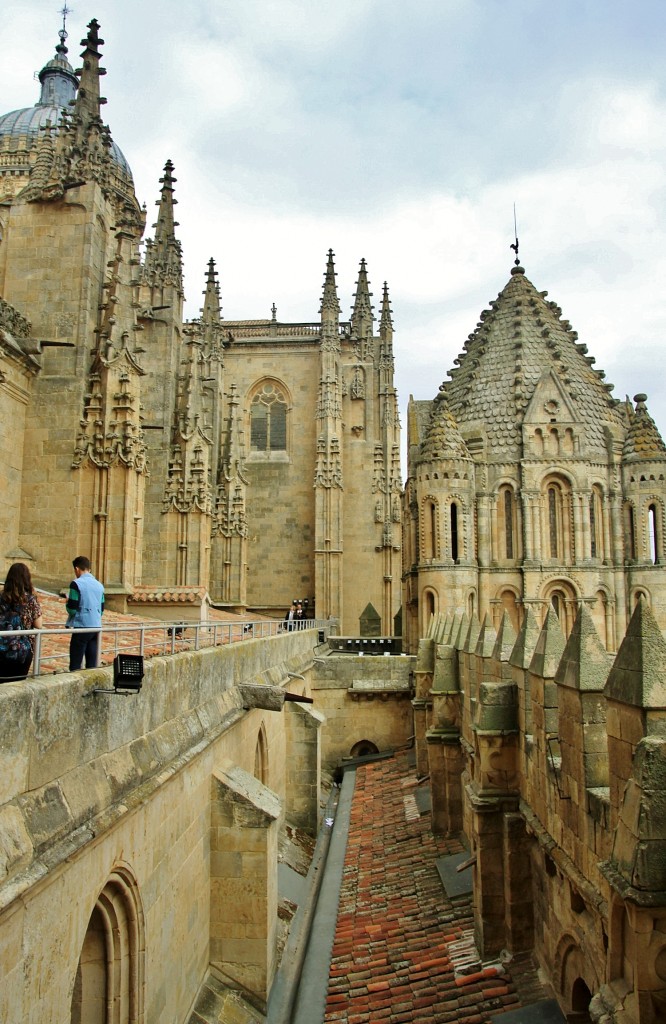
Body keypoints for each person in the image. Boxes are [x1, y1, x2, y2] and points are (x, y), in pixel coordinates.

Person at [0, 562, 42, 682]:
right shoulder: (30, 600)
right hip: (22, 652)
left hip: (1, 649)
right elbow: (39, 624)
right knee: (18, 687)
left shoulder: (1, 597)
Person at [66, 556, 105, 671]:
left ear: (77, 569)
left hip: (82, 626)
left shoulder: (76, 584)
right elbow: (102, 608)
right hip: (96, 627)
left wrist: (67, 603)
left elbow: (72, 608)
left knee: (75, 663)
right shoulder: (99, 585)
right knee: (92, 664)